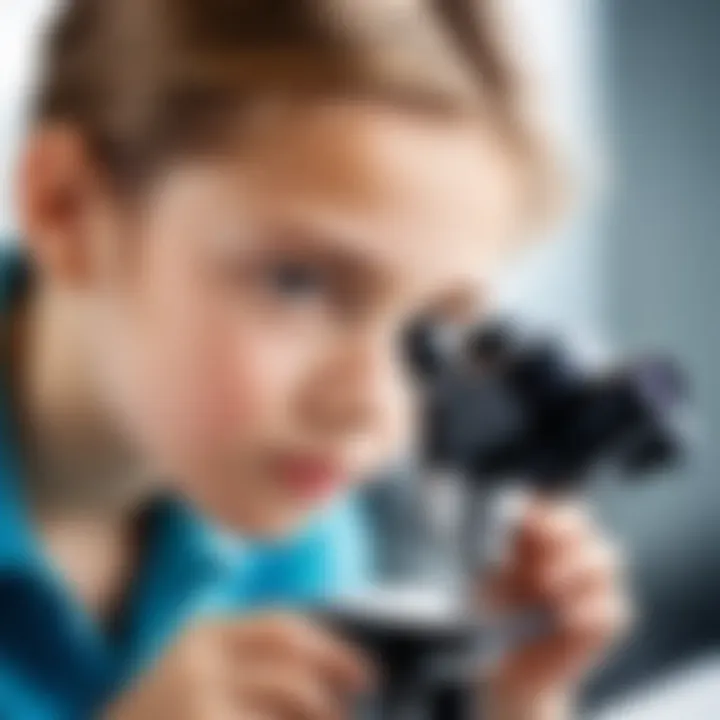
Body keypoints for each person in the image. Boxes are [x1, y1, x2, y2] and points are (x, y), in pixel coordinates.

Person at [0, 0, 631, 718]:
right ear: (66, 207)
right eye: (296, 283)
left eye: (426, 326)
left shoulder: (291, 525)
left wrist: (510, 699)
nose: (375, 407)